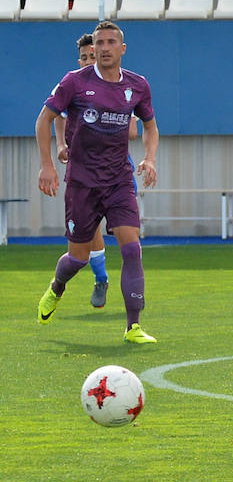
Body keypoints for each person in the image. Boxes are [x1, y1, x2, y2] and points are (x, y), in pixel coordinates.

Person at [36, 21, 159, 344]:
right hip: (82, 183)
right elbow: (45, 119)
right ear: (93, 49)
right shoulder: (74, 82)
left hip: (119, 180)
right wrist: (47, 164)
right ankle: (57, 287)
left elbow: (150, 126)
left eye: (109, 42)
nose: (103, 48)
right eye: (99, 43)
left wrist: (150, 157)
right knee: (77, 258)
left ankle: (133, 327)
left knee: (132, 249)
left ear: (122, 49)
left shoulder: (138, 85)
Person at [53, 32, 140, 309]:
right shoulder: (73, 86)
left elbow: (135, 130)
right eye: (85, 57)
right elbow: (54, 116)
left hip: (115, 174)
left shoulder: (122, 88)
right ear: (79, 59)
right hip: (83, 175)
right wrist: (61, 144)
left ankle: (133, 318)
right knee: (85, 240)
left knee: (129, 245)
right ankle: (100, 279)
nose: (90, 60)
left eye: (94, 55)